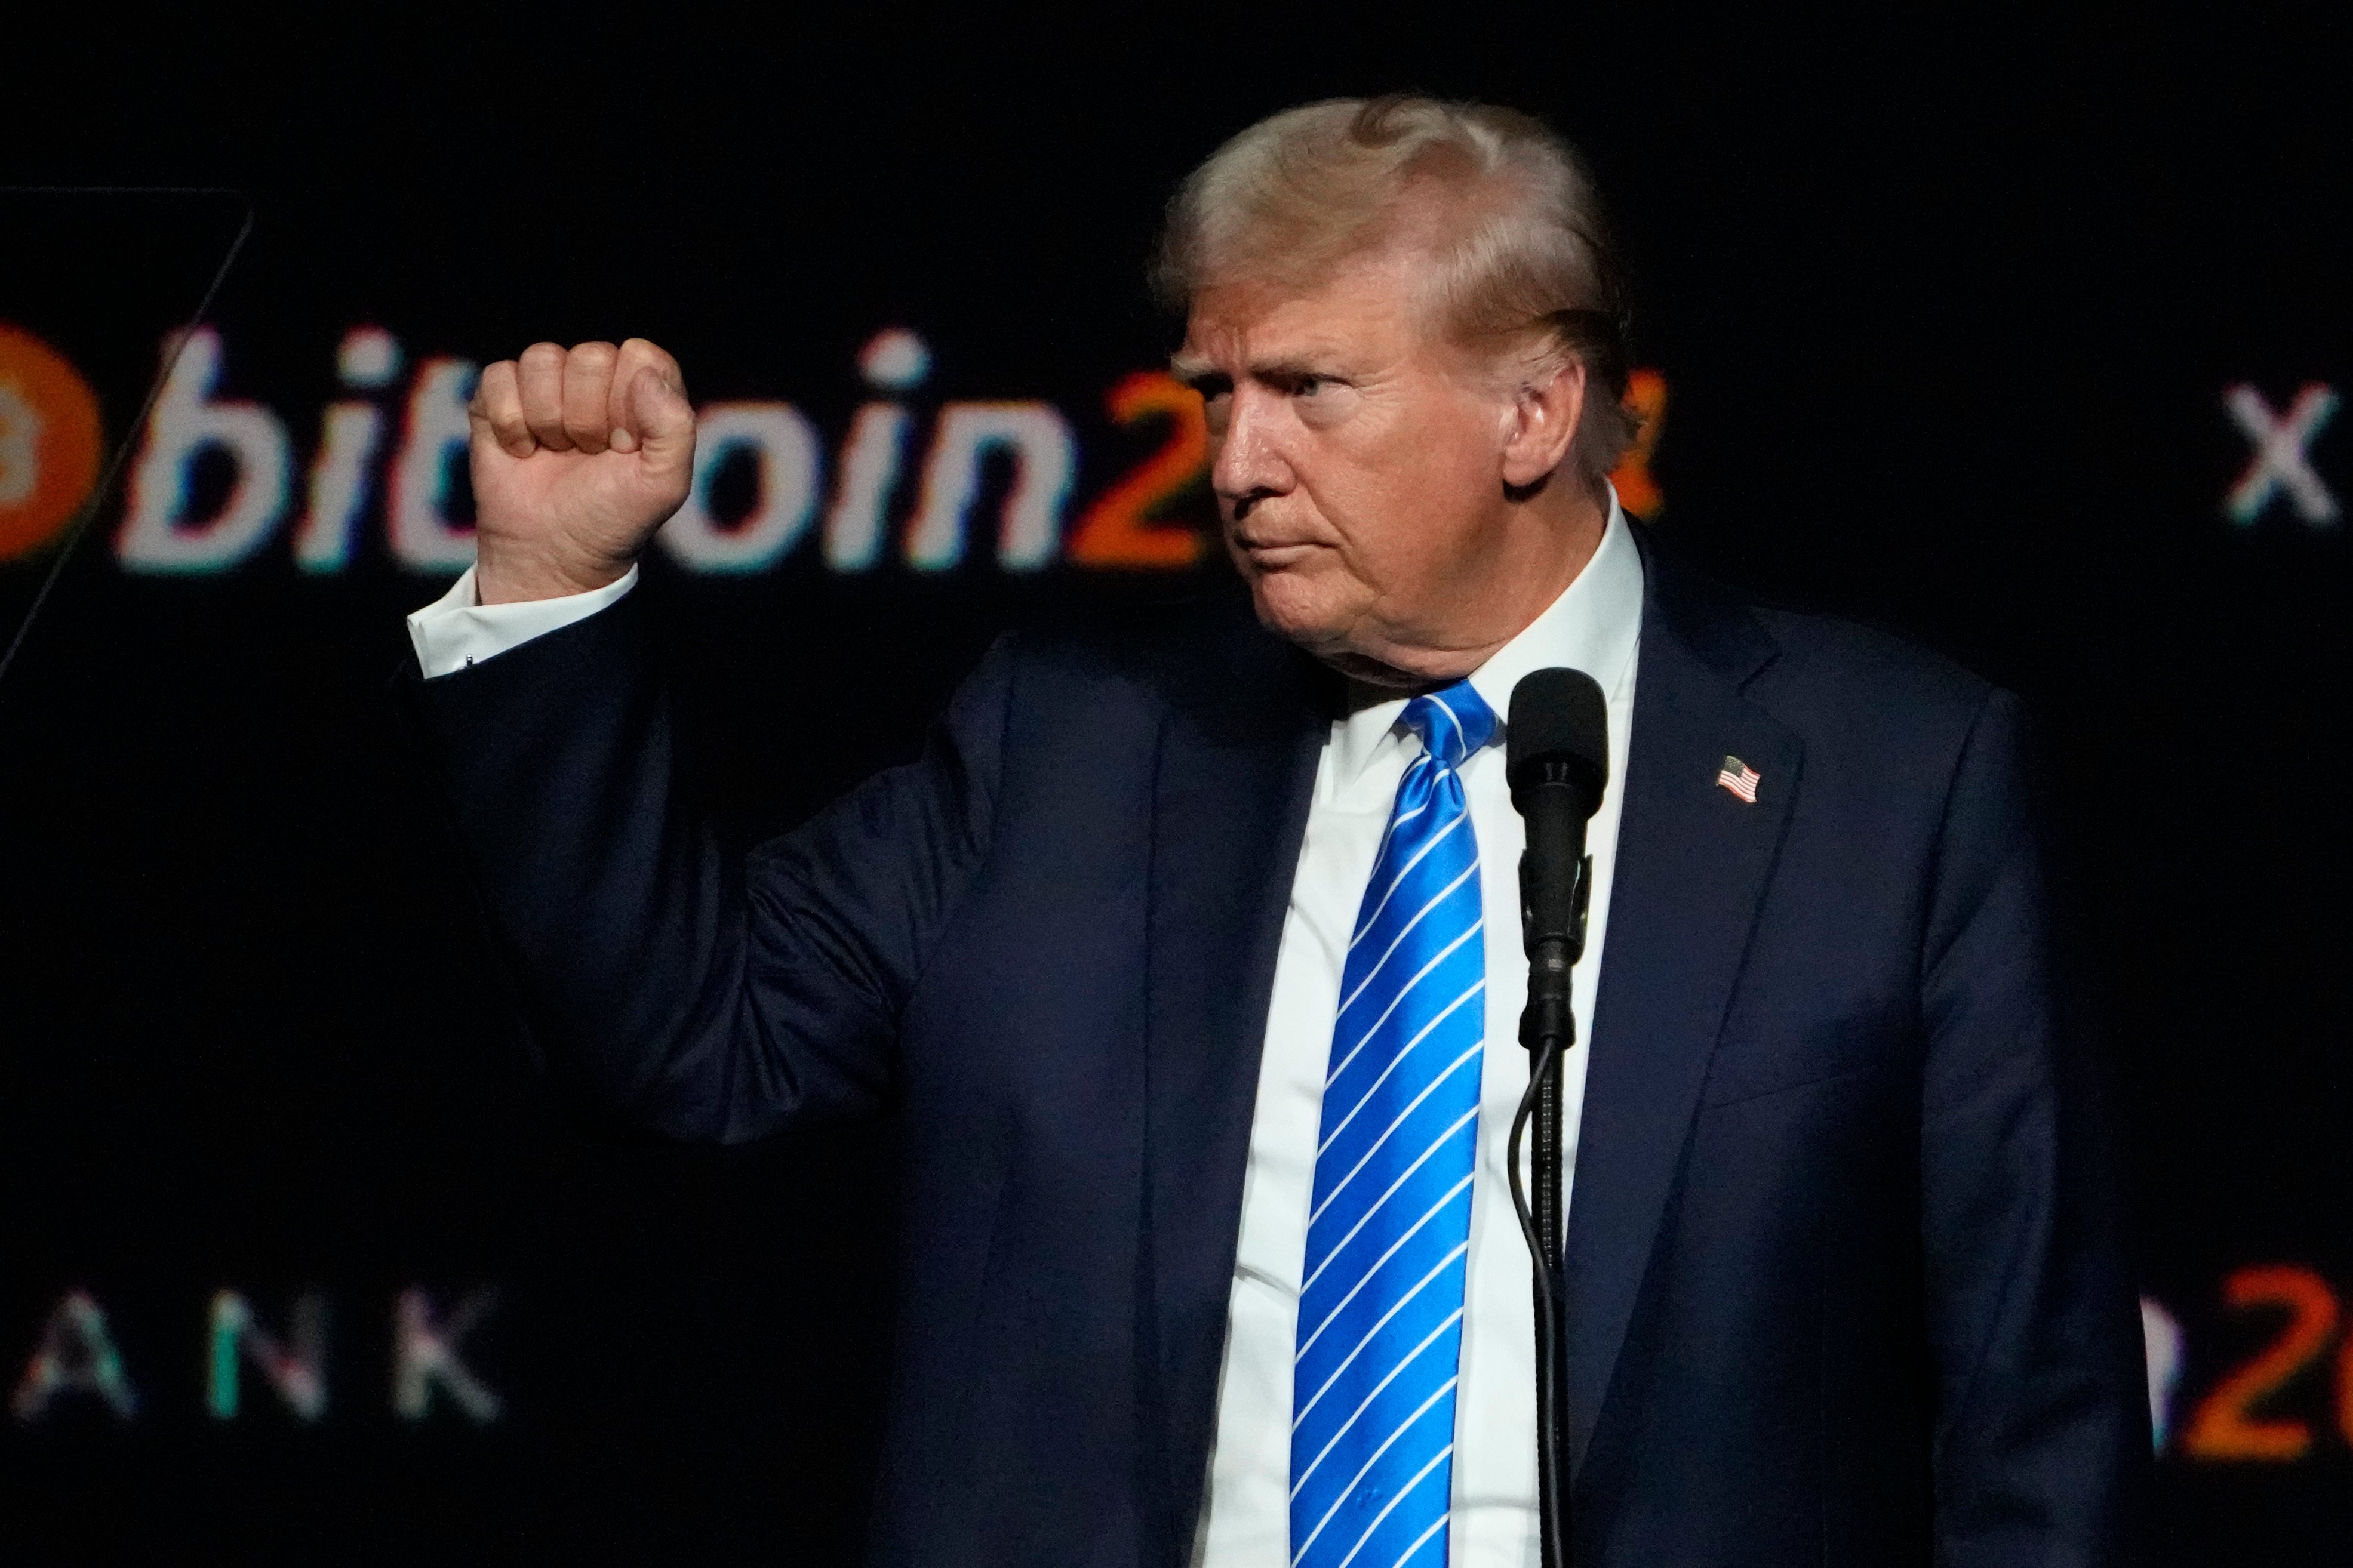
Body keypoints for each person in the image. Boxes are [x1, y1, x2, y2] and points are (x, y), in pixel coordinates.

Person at [401, 96, 2146, 1567]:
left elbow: (2037, 1412)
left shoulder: (1896, 780)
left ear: (1533, 410)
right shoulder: (1071, 747)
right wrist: (550, 592)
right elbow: (695, 1045)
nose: (1235, 461)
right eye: (1214, 393)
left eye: (1309, 390)